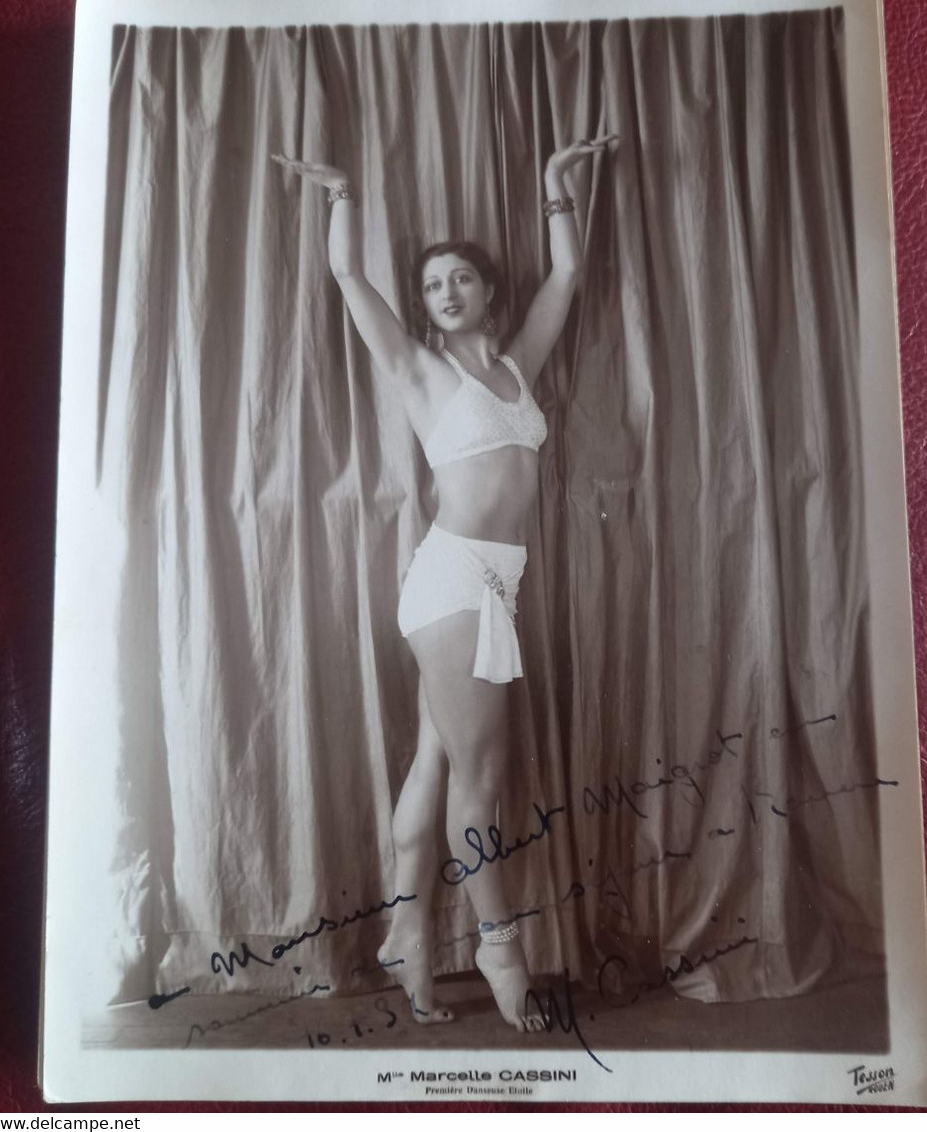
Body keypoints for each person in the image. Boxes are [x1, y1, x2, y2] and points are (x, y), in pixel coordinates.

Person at [274, 135, 614, 1032]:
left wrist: (552, 184)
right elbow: (350, 281)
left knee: (436, 768)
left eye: (460, 278)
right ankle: (502, 956)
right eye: (432, 286)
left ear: (487, 291)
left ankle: (405, 942)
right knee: (481, 783)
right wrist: (343, 194)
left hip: (492, 587)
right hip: (454, 581)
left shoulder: (515, 368)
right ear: (423, 310)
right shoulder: (419, 371)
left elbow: (568, 273)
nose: (446, 292)